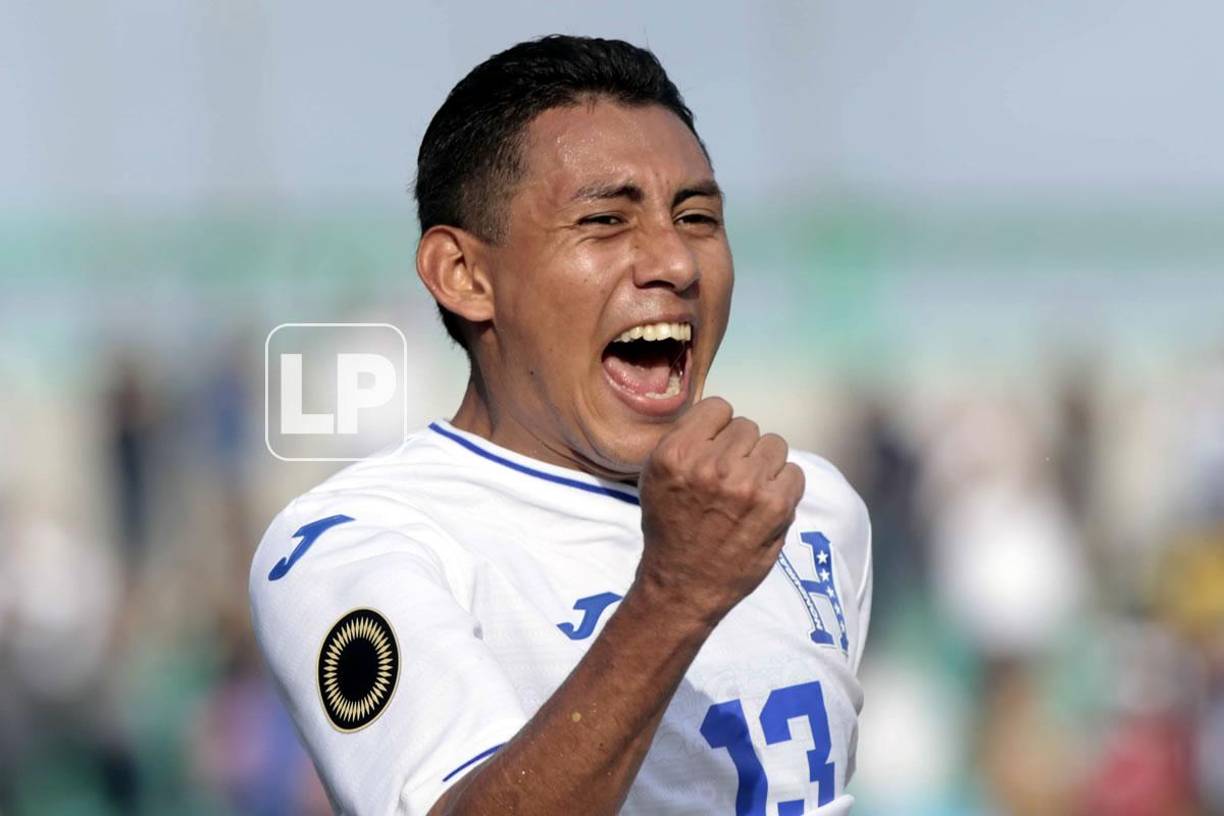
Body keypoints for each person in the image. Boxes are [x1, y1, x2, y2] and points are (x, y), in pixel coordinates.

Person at [250, 34, 871, 816]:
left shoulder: (815, 508)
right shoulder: (353, 540)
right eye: (607, 221)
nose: (675, 262)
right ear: (465, 276)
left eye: (697, 216)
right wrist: (675, 595)